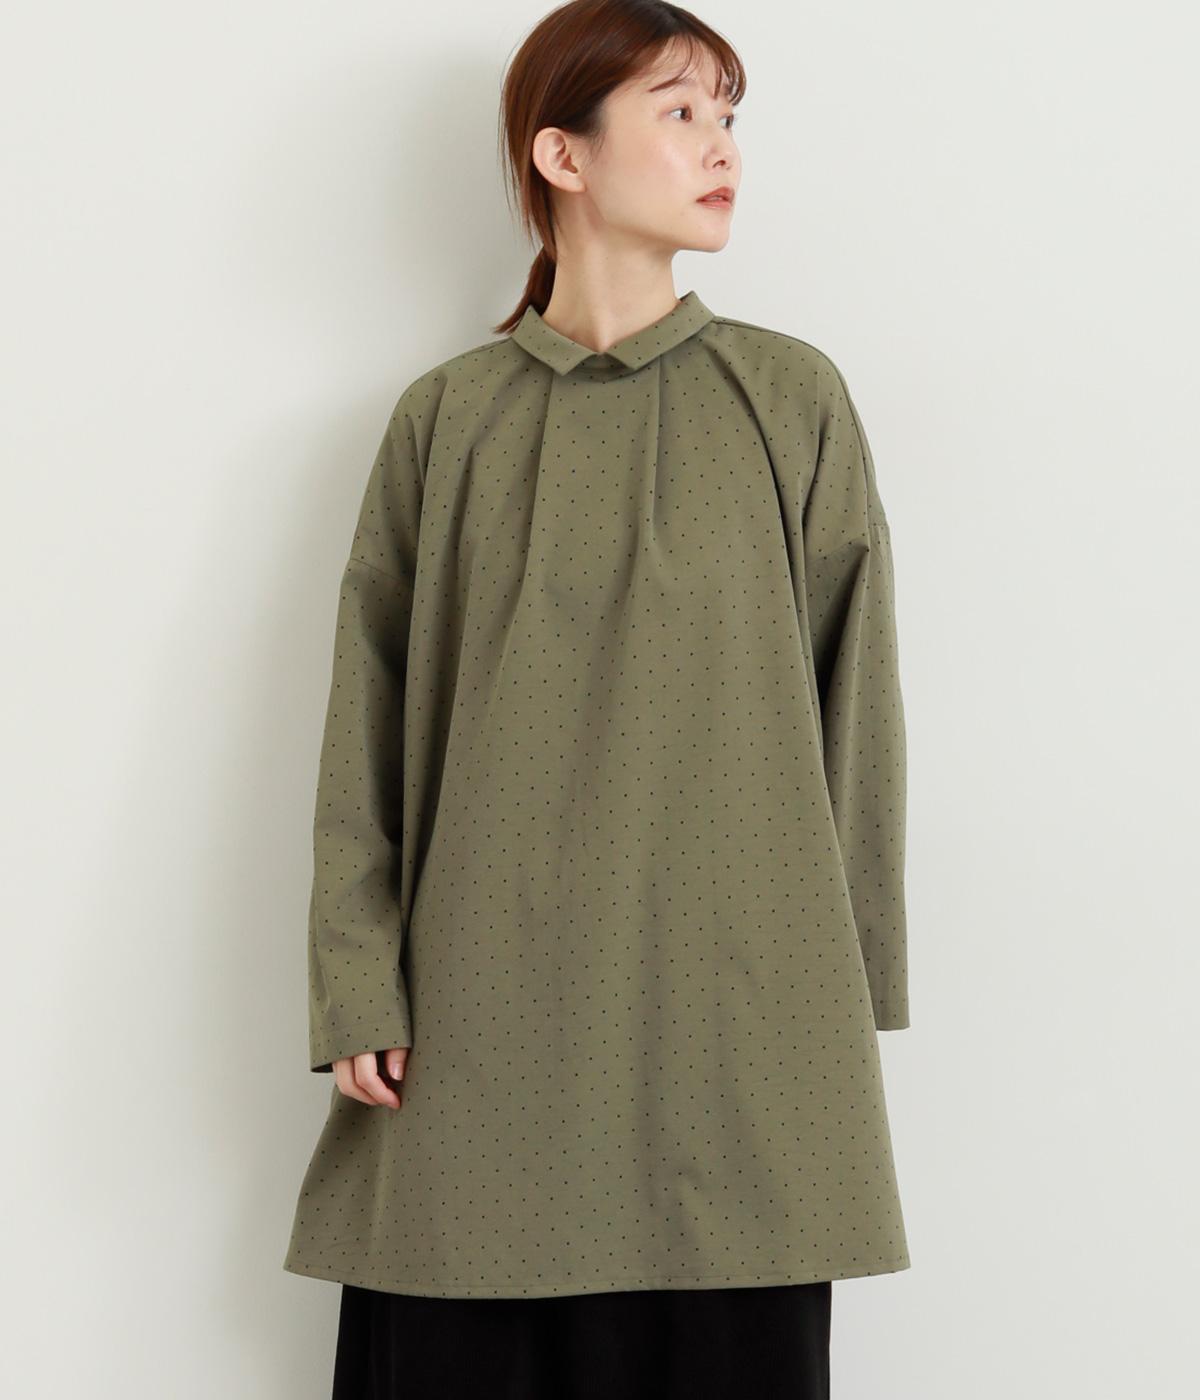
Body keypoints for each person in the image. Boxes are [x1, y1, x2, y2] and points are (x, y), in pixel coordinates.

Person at [282, 1, 913, 1395]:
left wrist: (849, 984)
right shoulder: (446, 420)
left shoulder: (790, 398)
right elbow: (364, 725)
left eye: (730, 117)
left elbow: (858, 706)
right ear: (561, 155)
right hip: (478, 1032)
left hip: (738, 1030)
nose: (724, 148)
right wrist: (355, 980)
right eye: (681, 113)